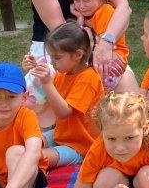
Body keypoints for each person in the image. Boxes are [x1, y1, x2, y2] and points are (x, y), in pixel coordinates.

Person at [24, 21, 101, 168]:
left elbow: (63, 112)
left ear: (78, 55)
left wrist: (47, 82)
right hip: (61, 134)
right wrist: (34, 69)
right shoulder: (64, 73)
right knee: (25, 144)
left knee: (34, 157)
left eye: (57, 58)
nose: (52, 63)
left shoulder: (88, 78)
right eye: (51, 57)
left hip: (81, 146)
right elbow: (46, 96)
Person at [64, 0, 138, 90]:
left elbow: (96, 43)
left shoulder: (105, 11)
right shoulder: (88, 15)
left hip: (110, 64)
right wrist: (80, 18)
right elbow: (79, 38)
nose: (81, 6)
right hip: (102, 64)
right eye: (76, 0)